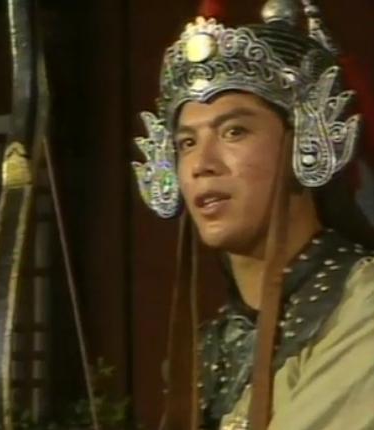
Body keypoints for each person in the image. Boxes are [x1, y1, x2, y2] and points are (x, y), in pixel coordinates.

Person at [132, 0, 374, 429]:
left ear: (305, 142)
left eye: (234, 132)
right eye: (187, 142)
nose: (202, 164)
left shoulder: (362, 306)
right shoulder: (216, 346)